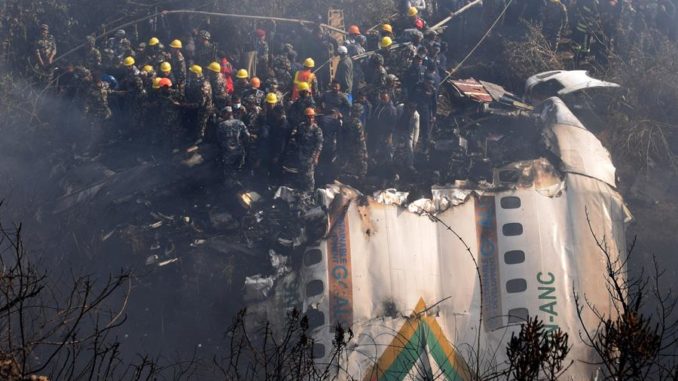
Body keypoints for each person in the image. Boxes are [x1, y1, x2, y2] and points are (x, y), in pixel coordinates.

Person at [282, 107, 323, 192]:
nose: (310, 119)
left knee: (309, 176)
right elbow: (294, 136)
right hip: (300, 154)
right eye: (308, 117)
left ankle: (310, 192)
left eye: (312, 117)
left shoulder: (316, 129)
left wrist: (316, 157)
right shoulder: (301, 126)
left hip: (310, 156)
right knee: (300, 174)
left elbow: (319, 144)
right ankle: (301, 191)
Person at [216, 106, 250, 186]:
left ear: (225, 114)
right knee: (239, 169)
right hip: (239, 151)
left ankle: (228, 188)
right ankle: (238, 185)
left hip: (228, 153)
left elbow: (219, 139)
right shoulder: (240, 122)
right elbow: (247, 135)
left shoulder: (221, 125)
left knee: (228, 171)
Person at [338, 102, 368, 183]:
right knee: (362, 165)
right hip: (356, 148)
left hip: (346, 146)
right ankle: (361, 183)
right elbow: (361, 139)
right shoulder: (357, 123)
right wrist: (365, 151)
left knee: (347, 165)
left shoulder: (346, 120)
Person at [184, 65, 214, 141]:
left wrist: (184, 105)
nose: (190, 74)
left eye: (192, 73)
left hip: (204, 109)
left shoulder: (203, 85)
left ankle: (200, 139)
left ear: (196, 74)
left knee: (201, 124)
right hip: (201, 107)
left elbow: (200, 103)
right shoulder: (201, 81)